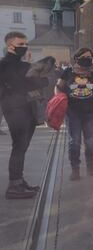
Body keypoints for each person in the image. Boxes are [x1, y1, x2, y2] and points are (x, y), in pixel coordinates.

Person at [1, 32, 49, 199]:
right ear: (10, 46)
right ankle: (14, 186)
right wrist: (33, 72)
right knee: (19, 146)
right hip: (15, 110)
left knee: (22, 147)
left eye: (26, 44)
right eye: (21, 44)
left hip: (25, 108)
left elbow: (38, 80)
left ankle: (18, 181)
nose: (25, 47)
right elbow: (35, 82)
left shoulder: (21, 65)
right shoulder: (5, 64)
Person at [57, 48, 93, 181]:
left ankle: (90, 165)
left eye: (89, 57)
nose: (87, 59)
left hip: (91, 113)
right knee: (75, 141)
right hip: (72, 112)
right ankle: (75, 169)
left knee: (90, 142)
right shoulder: (68, 72)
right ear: (77, 58)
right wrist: (59, 100)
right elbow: (58, 87)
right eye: (84, 56)